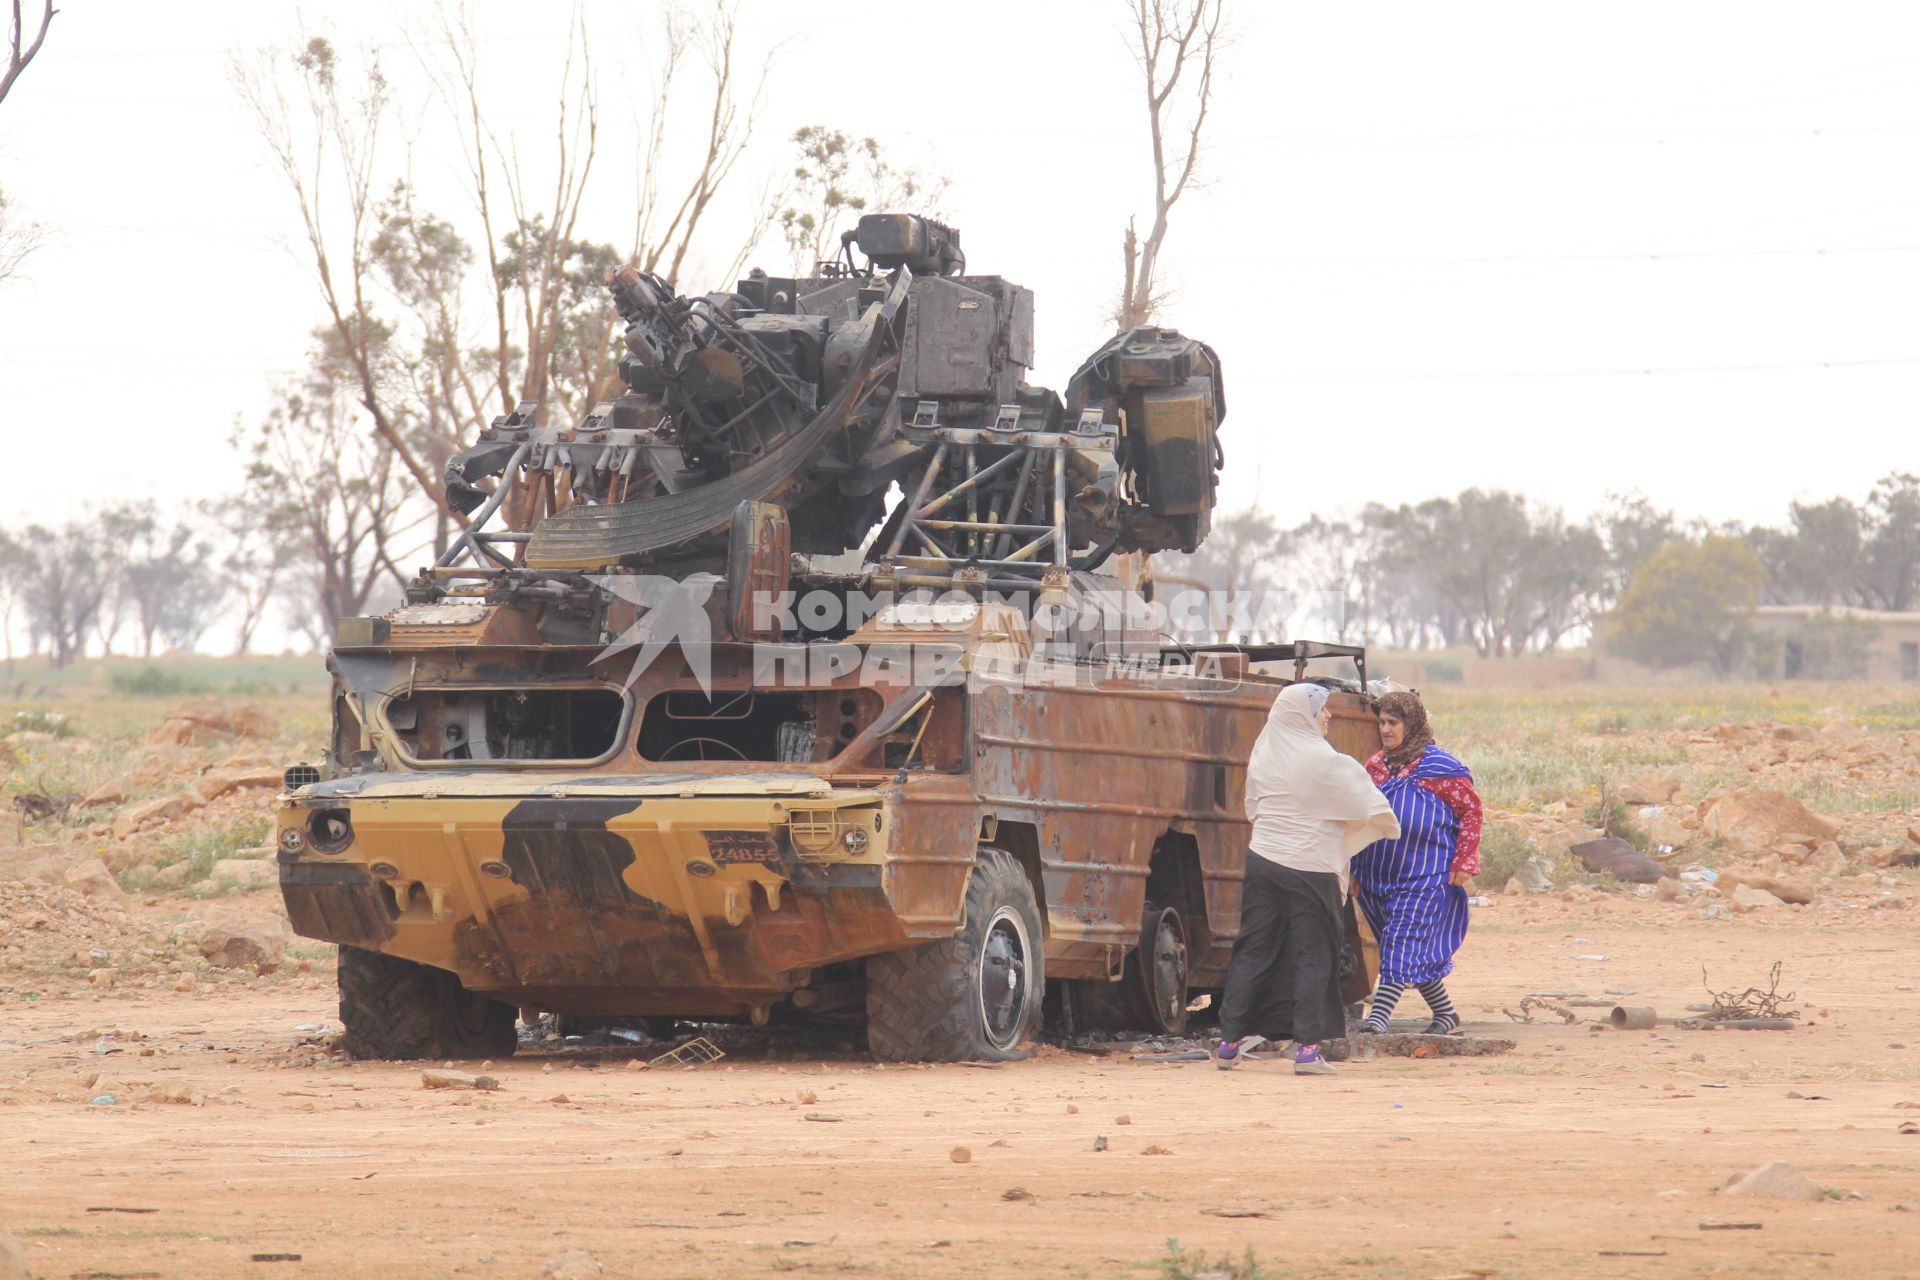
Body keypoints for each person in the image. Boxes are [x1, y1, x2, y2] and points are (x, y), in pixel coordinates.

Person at [1214, 683, 1399, 1076]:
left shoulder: (1264, 753)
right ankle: (1308, 1050)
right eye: (1322, 710)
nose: (1328, 716)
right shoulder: (1325, 761)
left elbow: (1253, 806)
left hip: (1263, 860)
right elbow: (1366, 803)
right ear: (1303, 716)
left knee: (1254, 948)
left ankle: (1229, 1043)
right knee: (1314, 953)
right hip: (1310, 868)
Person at [1352, 690, 1482, 1036]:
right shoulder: (1375, 767)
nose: (1386, 730)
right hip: (1377, 877)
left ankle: (1378, 1018)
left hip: (1424, 875)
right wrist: (1352, 869)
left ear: (1412, 724)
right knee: (1408, 947)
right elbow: (1360, 816)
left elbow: (1471, 812)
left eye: (1393, 722)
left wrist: (1465, 860)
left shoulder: (1441, 768)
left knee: (1400, 940)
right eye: (1381, 723)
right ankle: (1446, 1014)